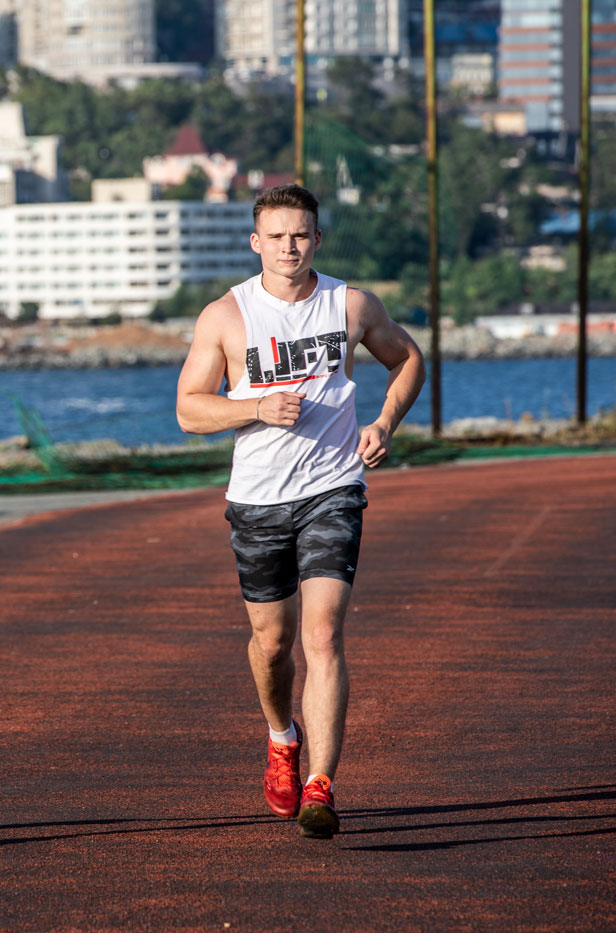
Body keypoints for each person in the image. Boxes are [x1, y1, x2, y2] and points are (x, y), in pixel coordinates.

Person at [175, 184, 425, 839]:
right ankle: (281, 734)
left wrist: (384, 423)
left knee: (322, 635)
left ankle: (320, 783)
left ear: (318, 238)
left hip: (333, 488)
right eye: (277, 236)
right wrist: (253, 406)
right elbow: (189, 409)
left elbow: (408, 360)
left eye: (302, 234)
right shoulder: (225, 317)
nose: (290, 247)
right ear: (255, 242)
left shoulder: (351, 305)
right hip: (257, 499)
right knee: (272, 644)